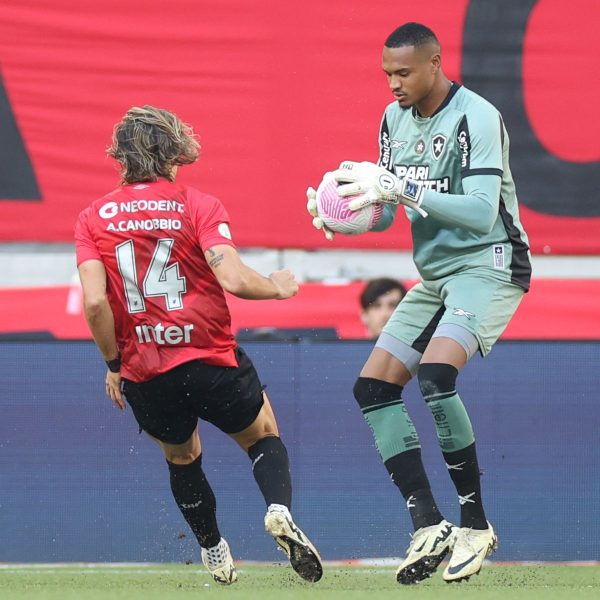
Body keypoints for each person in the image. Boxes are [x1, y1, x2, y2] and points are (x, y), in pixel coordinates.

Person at [307, 23, 531, 584]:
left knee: (435, 375)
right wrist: (343, 215)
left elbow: (481, 212)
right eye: (387, 73)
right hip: (436, 277)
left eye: (404, 72)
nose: (393, 84)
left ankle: (474, 524)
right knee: (373, 388)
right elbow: (384, 210)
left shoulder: (476, 116)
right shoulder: (393, 121)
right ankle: (429, 523)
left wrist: (398, 187)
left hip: (491, 263)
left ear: (435, 63)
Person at [75, 105, 322, 586]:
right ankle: (277, 510)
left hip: (144, 369)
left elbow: (94, 303)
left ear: (120, 156)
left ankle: (212, 549)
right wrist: (277, 285)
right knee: (263, 433)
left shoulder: (92, 217)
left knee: (182, 456)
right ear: (173, 150)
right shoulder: (197, 204)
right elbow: (232, 277)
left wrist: (113, 364)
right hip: (208, 357)